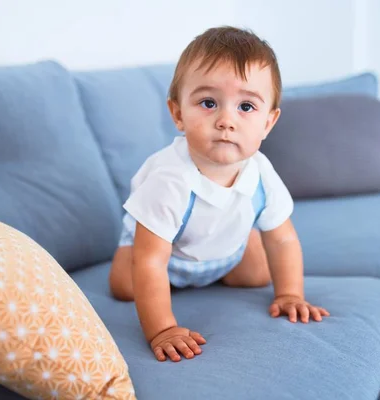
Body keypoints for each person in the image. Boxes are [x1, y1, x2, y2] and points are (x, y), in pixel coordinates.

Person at [109, 26, 329, 362]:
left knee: (259, 273)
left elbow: (284, 240)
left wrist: (289, 293)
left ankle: (239, 243)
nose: (226, 120)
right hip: (165, 256)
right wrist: (163, 329)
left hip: (223, 252)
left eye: (246, 106)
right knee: (126, 286)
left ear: (268, 123)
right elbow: (152, 260)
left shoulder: (261, 173)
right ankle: (131, 260)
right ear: (178, 113)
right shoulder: (169, 180)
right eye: (208, 103)